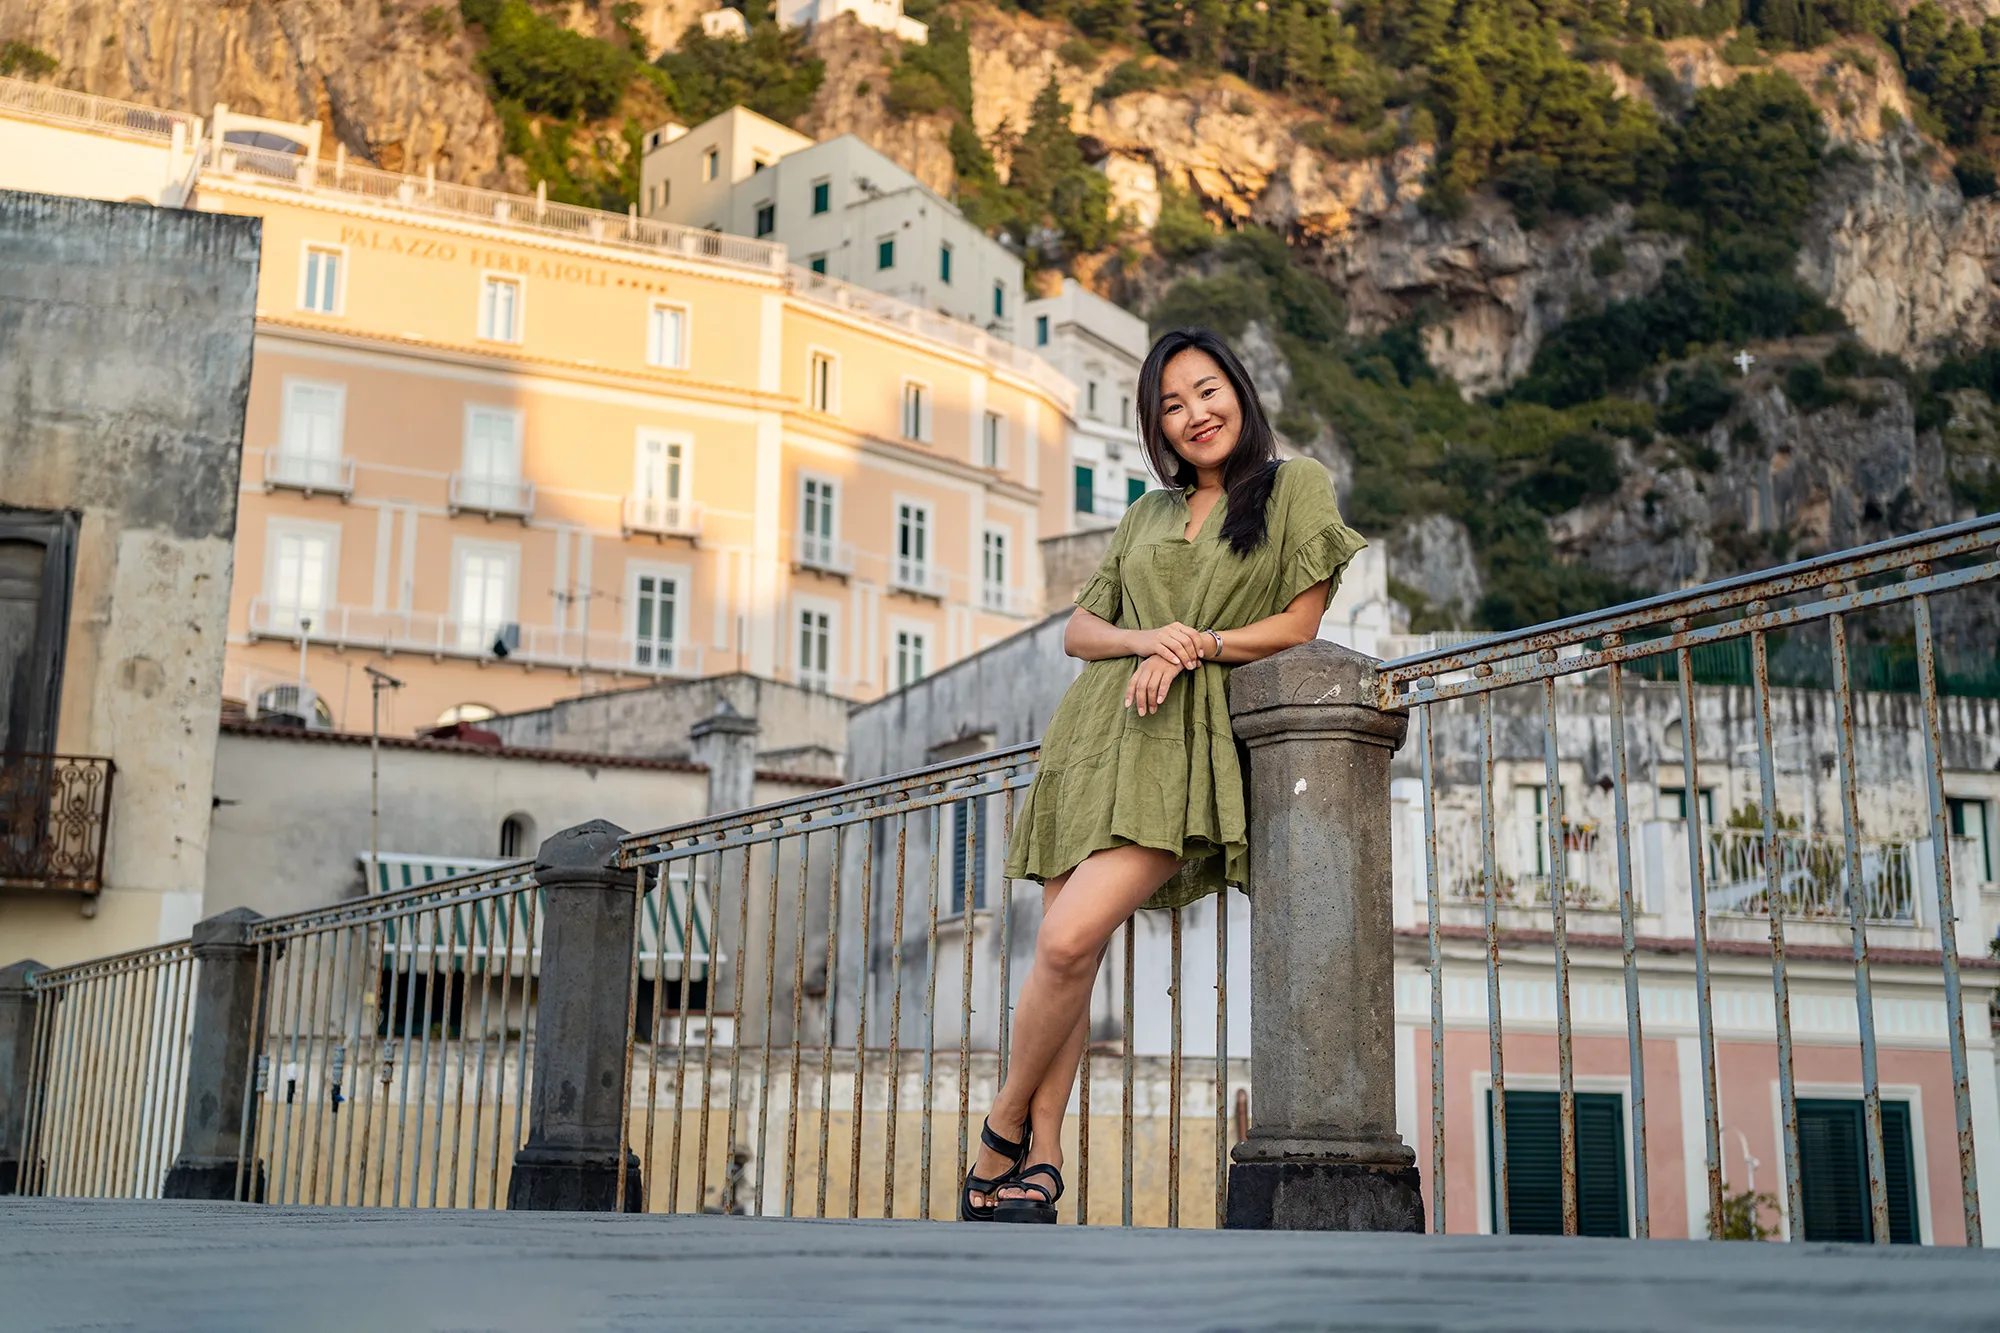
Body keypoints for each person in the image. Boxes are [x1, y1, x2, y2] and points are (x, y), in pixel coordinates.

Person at [961, 325, 1368, 1223]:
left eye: (1207, 391)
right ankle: (1046, 1156)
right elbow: (1079, 632)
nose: (1195, 414)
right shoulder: (1147, 514)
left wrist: (1202, 646)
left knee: (1067, 943)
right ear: (1156, 427)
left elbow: (1300, 625)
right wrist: (1155, 636)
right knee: (1067, 953)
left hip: (1182, 745)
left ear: (1241, 391)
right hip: (1096, 732)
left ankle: (998, 1126)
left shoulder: (1294, 486)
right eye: (1171, 405)